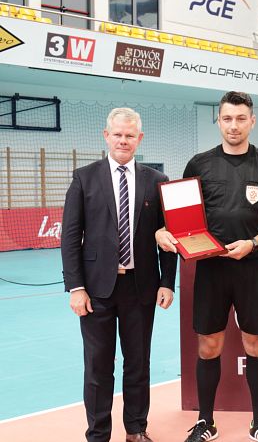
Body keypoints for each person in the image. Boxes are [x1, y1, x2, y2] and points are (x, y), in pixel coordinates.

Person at [156, 92, 258, 442]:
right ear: (218, 120)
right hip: (211, 269)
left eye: (241, 118)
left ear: (252, 121)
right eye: (227, 118)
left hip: (252, 266)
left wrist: (253, 243)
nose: (234, 125)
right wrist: (165, 232)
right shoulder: (199, 164)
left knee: (257, 344)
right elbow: (182, 218)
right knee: (208, 346)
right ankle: (206, 421)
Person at [61, 107, 178, 442]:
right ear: (106, 136)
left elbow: (167, 237)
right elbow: (70, 236)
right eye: (117, 134)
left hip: (141, 288)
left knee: (138, 364)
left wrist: (167, 282)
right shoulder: (84, 178)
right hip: (96, 289)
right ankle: (98, 434)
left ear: (139, 138)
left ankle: (136, 429)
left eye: (129, 135)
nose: (123, 140)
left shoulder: (157, 181)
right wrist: (76, 287)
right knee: (98, 366)